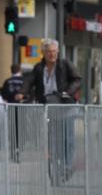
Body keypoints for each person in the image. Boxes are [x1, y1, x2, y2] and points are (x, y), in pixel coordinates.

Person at [30, 39, 81, 183]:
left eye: (54, 51)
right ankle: (57, 166)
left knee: (67, 139)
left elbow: (77, 79)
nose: (52, 54)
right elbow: (30, 81)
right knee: (54, 139)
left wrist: (67, 92)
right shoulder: (39, 68)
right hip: (49, 107)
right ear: (44, 53)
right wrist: (22, 92)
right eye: (48, 52)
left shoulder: (65, 65)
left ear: (57, 52)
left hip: (65, 106)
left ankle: (67, 165)